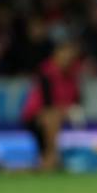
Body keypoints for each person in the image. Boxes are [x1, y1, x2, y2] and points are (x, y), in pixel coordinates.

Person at [21, 38, 84, 170]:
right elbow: (47, 104)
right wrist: (66, 111)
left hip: (60, 116)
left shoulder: (73, 75)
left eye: (70, 56)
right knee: (52, 117)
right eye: (64, 54)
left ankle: (49, 159)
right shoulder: (46, 72)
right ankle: (51, 157)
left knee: (60, 116)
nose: (67, 59)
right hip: (36, 117)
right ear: (56, 54)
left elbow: (78, 101)